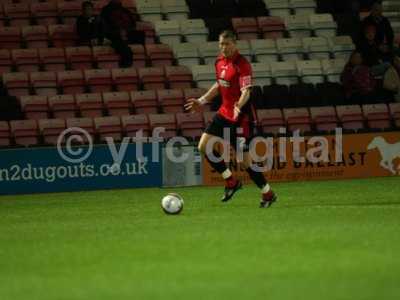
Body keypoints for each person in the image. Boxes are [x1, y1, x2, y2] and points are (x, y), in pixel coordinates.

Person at [184, 30, 277, 208]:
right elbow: (219, 85)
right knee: (203, 146)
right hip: (224, 113)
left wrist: (238, 106)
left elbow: (246, 92)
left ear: (235, 44)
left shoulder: (243, 65)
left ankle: (268, 193)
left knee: (243, 162)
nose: (223, 47)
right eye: (221, 44)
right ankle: (231, 182)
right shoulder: (219, 62)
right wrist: (202, 101)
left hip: (241, 118)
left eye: (227, 44)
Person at [100, 0, 145, 67]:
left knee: (140, 34)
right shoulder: (105, 10)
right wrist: (119, 31)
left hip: (126, 33)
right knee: (122, 46)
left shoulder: (125, 10)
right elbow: (105, 26)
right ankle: (125, 66)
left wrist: (126, 31)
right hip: (114, 34)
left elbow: (133, 24)